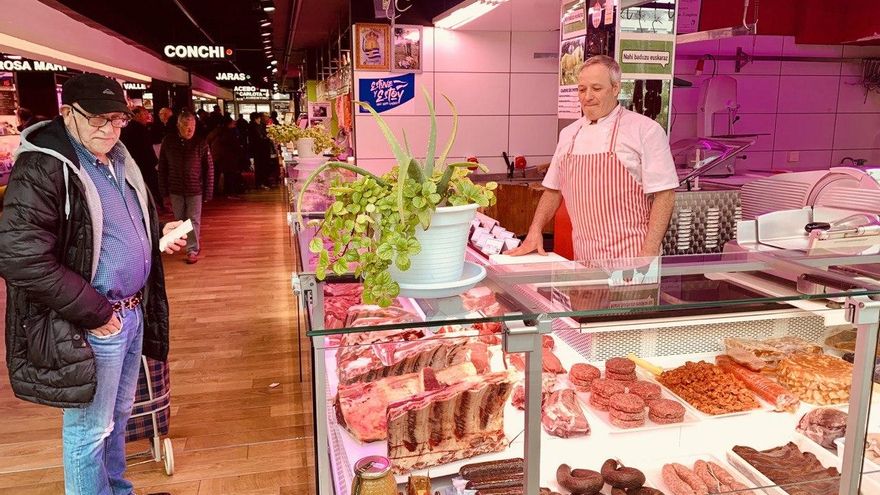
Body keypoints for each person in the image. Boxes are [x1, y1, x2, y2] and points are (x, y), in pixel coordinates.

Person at [0, 73, 187, 495]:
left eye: (117, 119)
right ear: (68, 113)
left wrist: (154, 237)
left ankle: (118, 489)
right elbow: (19, 256)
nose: (108, 128)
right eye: (97, 119)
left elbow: (100, 231)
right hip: (93, 319)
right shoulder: (44, 165)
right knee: (89, 429)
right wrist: (97, 313)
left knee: (118, 416)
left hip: (129, 312)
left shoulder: (117, 157)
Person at [509, 55, 678, 263]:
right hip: (585, 258)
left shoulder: (645, 130)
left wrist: (647, 256)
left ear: (616, 88)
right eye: (582, 89)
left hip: (632, 258)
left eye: (596, 89)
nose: (587, 96)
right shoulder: (569, 134)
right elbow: (553, 190)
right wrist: (535, 230)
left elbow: (665, 195)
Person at [158, 110, 214, 264]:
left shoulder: (200, 143)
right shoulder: (168, 142)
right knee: (180, 220)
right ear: (178, 125)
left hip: (195, 189)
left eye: (193, 125)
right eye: (186, 125)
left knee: (194, 219)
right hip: (175, 189)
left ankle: (192, 249)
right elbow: (162, 167)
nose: (190, 129)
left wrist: (208, 191)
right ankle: (188, 244)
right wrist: (163, 192)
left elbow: (208, 168)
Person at [121, 106, 163, 211]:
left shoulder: (126, 128)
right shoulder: (140, 129)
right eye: (145, 114)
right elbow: (147, 148)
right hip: (145, 163)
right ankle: (155, 206)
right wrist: (154, 162)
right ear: (137, 115)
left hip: (133, 163)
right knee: (151, 185)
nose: (147, 117)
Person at [207, 115, 246, 198]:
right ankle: (229, 192)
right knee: (230, 175)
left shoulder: (216, 131)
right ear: (228, 123)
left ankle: (215, 193)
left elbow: (208, 140)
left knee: (216, 175)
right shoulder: (229, 132)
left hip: (216, 156)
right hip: (227, 157)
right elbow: (234, 145)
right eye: (232, 122)